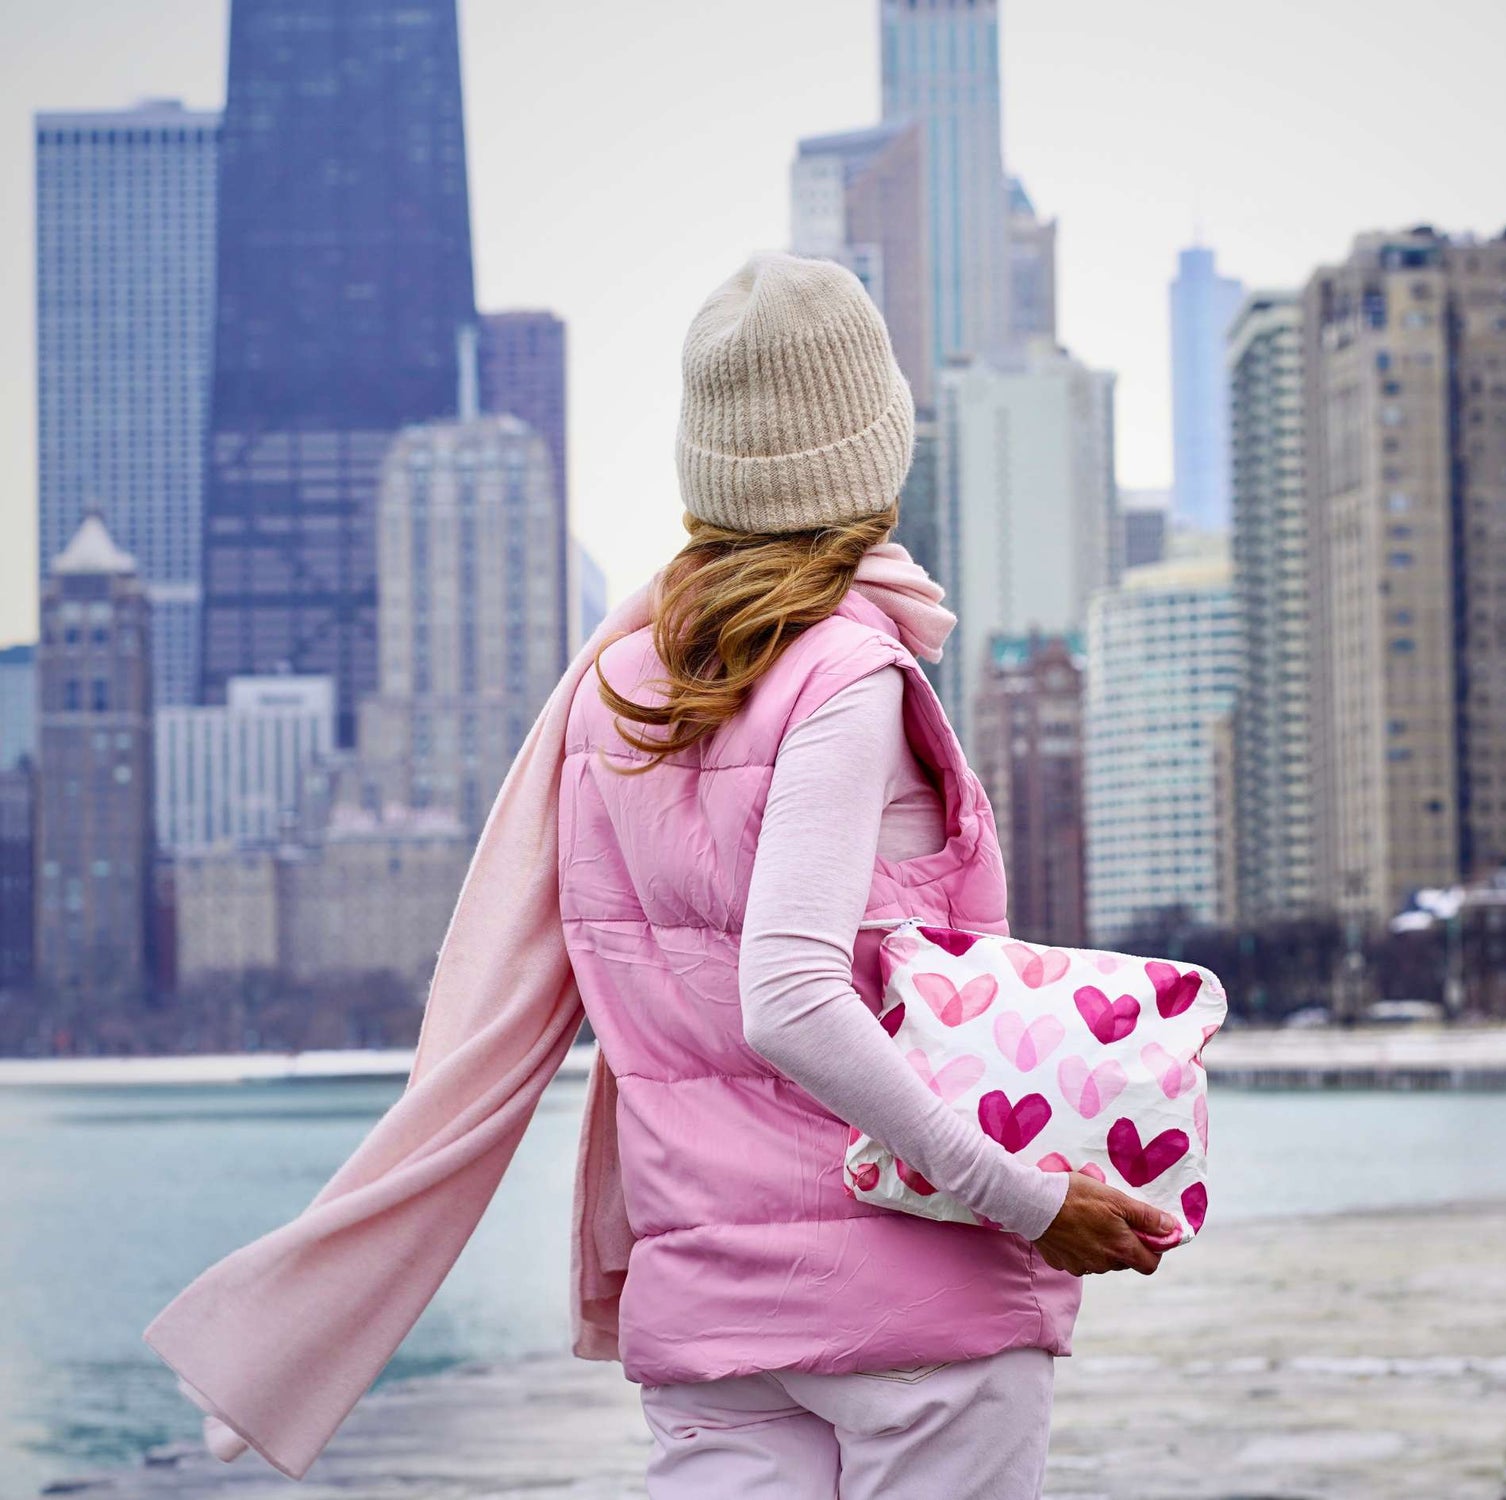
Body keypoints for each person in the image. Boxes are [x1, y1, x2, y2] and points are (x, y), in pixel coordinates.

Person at [144, 252, 1177, 1498]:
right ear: (874, 453)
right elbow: (787, 996)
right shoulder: (845, 677)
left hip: (712, 1326)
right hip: (916, 1316)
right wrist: (1022, 1198)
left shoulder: (612, 687)